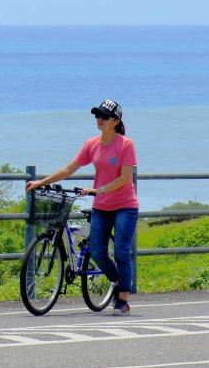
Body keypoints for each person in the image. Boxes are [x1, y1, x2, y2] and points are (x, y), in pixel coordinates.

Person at [26, 99, 139, 315]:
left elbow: (125, 178)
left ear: (115, 121)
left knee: (122, 252)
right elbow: (70, 168)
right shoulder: (92, 144)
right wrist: (42, 182)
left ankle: (123, 299)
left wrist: (100, 190)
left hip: (125, 206)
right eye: (97, 115)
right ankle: (116, 281)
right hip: (102, 206)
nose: (99, 120)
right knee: (97, 250)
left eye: (104, 117)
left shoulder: (125, 144)